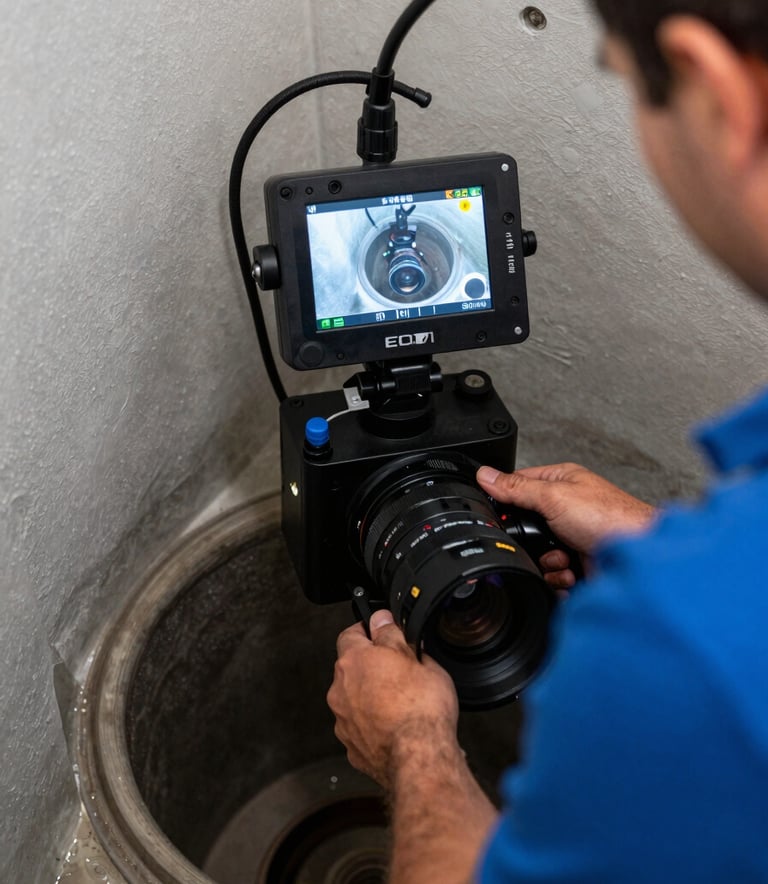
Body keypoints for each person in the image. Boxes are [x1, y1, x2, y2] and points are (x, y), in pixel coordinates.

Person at [327, 1, 768, 881]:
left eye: (622, 81)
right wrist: (659, 546)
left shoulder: (671, 655)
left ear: (720, 92)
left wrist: (413, 745)